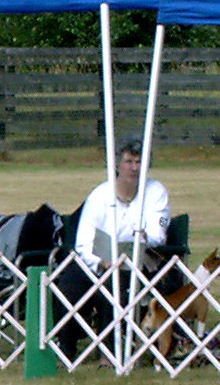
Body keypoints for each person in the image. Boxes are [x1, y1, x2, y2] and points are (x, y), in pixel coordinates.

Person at [56, 136, 171, 358]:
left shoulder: (156, 192)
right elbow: (83, 242)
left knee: (113, 286)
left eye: (139, 162)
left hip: (137, 261)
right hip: (98, 259)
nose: (134, 168)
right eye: (129, 162)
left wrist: (142, 236)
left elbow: (158, 234)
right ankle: (66, 350)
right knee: (68, 284)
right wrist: (101, 262)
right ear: (117, 164)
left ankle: (109, 353)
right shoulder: (99, 195)